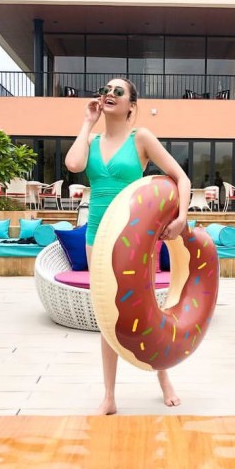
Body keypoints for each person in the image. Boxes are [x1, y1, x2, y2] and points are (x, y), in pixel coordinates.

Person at [65, 78, 192, 415]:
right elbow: (73, 165)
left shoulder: (142, 138)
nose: (109, 93)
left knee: (147, 308)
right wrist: (86, 122)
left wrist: (180, 217)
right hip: (96, 236)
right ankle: (109, 395)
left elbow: (182, 178)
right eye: (106, 89)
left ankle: (163, 377)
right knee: (108, 316)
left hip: (135, 238)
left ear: (131, 106)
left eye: (118, 92)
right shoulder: (90, 140)